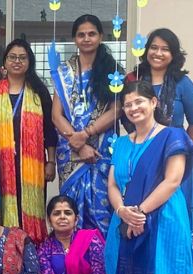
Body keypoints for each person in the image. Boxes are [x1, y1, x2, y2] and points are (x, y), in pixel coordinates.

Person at [105, 80, 193, 274]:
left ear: (154, 102)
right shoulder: (121, 144)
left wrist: (140, 212)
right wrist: (123, 211)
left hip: (164, 221)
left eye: (139, 102)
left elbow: (173, 180)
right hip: (124, 223)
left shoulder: (173, 136)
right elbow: (113, 184)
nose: (133, 108)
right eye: (128, 104)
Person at [125, 28, 193, 274]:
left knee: (174, 210)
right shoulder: (133, 79)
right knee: (143, 204)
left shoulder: (182, 83)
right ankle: (145, 268)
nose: (158, 53)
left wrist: (179, 149)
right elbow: (124, 116)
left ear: (173, 54)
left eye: (165, 49)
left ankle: (177, 269)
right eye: (154, 47)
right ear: (146, 50)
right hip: (141, 157)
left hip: (174, 163)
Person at [50, 14, 122, 236]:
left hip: (102, 149)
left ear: (101, 37)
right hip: (71, 151)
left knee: (104, 208)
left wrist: (87, 133)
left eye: (92, 34)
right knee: (70, 208)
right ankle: (74, 256)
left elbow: (117, 110)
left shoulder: (113, 71)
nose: (87, 38)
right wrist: (79, 144)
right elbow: (56, 115)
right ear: (75, 39)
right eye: (81, 35)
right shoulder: (63, 72)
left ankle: (103, 256)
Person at [0, 39, 58, 243]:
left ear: (29, 62)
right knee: (3, 206)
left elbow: (50, 130)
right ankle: (5, 250)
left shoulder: (39, 91)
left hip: (32, 165)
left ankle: (32, 248)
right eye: (12, 57)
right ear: (4, 62)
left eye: (22, 58)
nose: (17, 61)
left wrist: (51, 162)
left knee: (31, 206)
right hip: (0, 163)